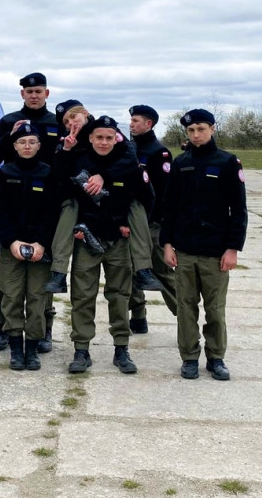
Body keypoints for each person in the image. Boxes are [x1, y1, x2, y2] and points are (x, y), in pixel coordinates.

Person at [57, 115, 151, 375]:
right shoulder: (79, 160)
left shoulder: (126, 163)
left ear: (116, 139)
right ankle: (81, 350)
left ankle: (121, 348)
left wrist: (132, 224)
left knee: (119, 296)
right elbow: (61, 183)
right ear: (90, 138)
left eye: (109, 137)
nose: (104, 142)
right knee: (82, 297)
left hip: (117, 241)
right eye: (99, 137)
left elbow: (145, 198)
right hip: (86, 241)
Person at [161, 109, 248, 381]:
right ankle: (189, 358)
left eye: (201, 129)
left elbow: (239, 210)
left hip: (216, 251)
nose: (196, 135)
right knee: (185, 308)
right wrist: (166, 244)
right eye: (191, 131)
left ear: (212, 129)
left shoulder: (227, 163)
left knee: (215, 310)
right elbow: (170, 208)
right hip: (184, 250)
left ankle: (216, 357)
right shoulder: (181, 163)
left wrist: (232, 248)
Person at [46, 105, 161, 296]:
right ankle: (58, 272)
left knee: (135, 205)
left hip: (118, 221)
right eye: (66, 122)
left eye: (74, 118)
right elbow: (58, 179)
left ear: (85, 114)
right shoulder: (70, 143)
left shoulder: (110, 134)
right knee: (69, 204)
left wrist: (104, 177)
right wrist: (67, 149)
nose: (71, 124)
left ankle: (144, 270)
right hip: (87, 222)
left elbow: (134, 168)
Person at [0, 72, 61, 353]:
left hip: (46, 199)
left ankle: (44, 330)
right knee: (10, 282)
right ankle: (5, 329)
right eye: (29, 92)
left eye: (39, 91)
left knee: (42, 285)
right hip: (14, 196)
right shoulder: (9, 121)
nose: (34, 95)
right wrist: (10, 135)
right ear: (22, 95)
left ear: (47, 93)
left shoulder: (56, 123)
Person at [0, 122, 59, 371]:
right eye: (21, 142)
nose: (27, 146)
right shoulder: (4, 173)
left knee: (38, 299)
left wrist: (41, 242)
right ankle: (16, 348)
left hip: (41, 249)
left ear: (39, 145)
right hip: (12, 248)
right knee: (12, 298)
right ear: (14, 146)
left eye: (31, 142)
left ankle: (32, 349)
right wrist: (11, 241)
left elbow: (52, 214)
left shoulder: (49, 173)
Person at [127, 104, 177, 333]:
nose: (131, 124)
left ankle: (185, 315)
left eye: (136, 120)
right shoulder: (129, 148)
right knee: (129, 271)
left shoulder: (159, 152)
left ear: (149, 124)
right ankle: (138, 317)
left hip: (152, 224)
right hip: (131, 221)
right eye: (131, 120)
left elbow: (166, 192)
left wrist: (157, 222)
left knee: (161, 271)